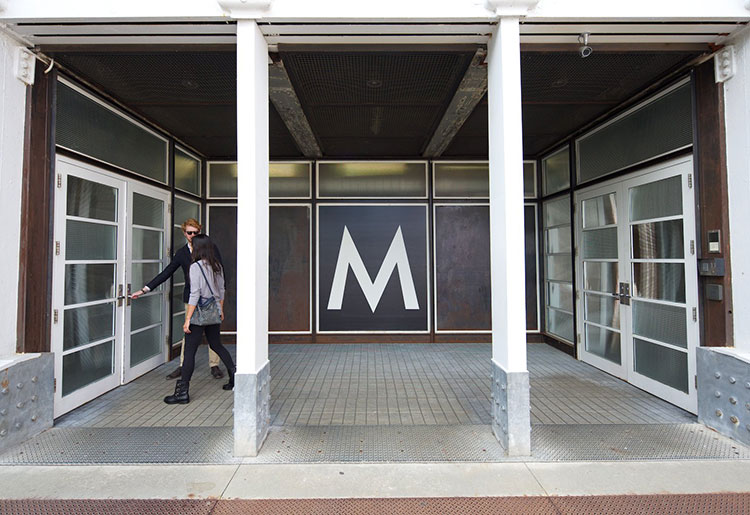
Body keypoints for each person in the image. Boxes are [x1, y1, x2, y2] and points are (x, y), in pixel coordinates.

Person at [131, 218, 225, 380]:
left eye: (196, 232)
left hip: (211, 299)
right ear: (184, 233)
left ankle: (214, 365)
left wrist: (220, 303)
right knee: (188, 331)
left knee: (213, 333)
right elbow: (166, 272)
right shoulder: (182, 253)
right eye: (189, 233)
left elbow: (221, 273)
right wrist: (145, 289)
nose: (193, 235)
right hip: (192, 298)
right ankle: (183, 365)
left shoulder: (210, 248)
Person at [164, 234, 235, 404]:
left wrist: (188, 319)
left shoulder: (195, 267)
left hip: (198, 313)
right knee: (216, 345)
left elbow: (195, 294)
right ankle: (234, 377)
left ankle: (182, 392)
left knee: (189, 351)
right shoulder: (217, 265)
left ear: (197, 248)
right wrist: (220, 310)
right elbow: (221, 290)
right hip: (213, 311)